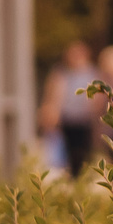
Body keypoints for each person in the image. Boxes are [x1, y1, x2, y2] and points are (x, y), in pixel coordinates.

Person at [41, 41, 98, 178]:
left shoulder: (92, 74)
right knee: (66, 155)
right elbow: (52, 96)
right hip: (66, 120)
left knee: (83, 154)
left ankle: (81, 177)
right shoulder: (61, 74)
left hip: (84, 121)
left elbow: (97, 101)